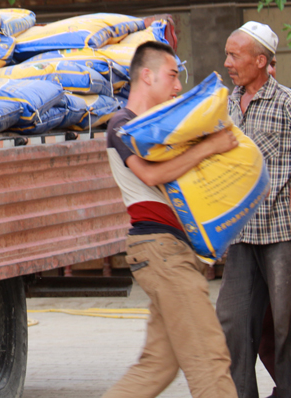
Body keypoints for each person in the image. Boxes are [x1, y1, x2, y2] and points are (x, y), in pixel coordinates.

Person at [102, 40, 238, 398]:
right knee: (209, 358)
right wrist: (210, 147)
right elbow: (150, 176)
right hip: (161, 250)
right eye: (173, 74)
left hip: (172, 251)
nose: (179, 85)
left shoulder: (163, 127)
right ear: (147, 75)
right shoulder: (122, 125)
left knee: (157, 367)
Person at [216, 21, 291, 398]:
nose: (227, 61)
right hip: (242, 234)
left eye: (234, 55)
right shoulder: (228, 103)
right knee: (232, 324)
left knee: (289, 329)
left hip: (285, 235)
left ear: (261, 61)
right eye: (228, 53)